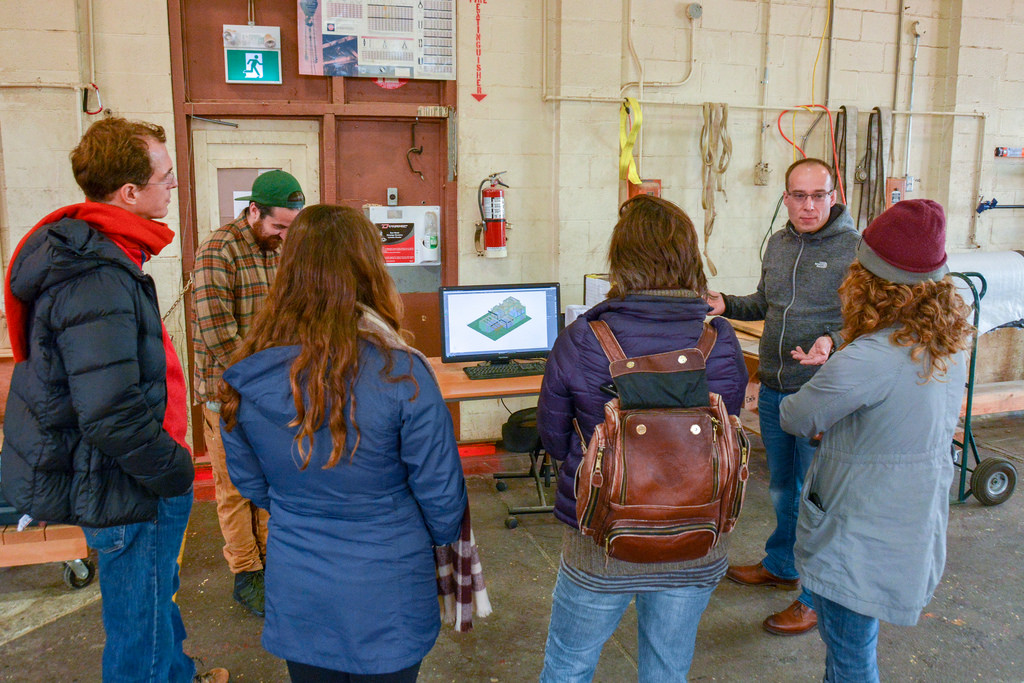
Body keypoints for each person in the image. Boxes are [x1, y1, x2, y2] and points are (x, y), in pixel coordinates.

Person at [0, 117, 227, 682]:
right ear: (131, 193)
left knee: (156, 601)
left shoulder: (107, 255)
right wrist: (174, 467)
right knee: (138, 631)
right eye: (167, 177)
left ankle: (181, 675)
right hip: (131, 481)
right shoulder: (96, 274)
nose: (173, 186)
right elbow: (109, 409)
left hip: (137, 472)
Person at [218, 204, 468, 682]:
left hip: (299, 580)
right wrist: (427, 542)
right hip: (388, 580)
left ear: (287, 273)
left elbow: (252, 485)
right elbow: (443, 497)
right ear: (369, 270)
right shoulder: (403, 372)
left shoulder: (246, 373)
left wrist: (304, 505)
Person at [537, 195, 748, 682]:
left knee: (568, 666)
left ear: (620, 260)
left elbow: (552, 434)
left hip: (601, 540)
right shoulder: (719, 339)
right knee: (667, 670)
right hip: (697, 537)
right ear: (689, 257)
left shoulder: (583, 337)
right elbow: (730, 420)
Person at [779, 199, 971, 681]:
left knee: (850, 659)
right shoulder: (944, 343)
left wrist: (828, 382)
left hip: (858, 536)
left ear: (868, 280)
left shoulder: (867, 359)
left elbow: (796, 417)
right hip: (909, 524)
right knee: (852, 649)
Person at [705, 157, 859, 635]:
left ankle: (815, 598)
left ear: (834, 196)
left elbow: (866, 320)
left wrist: (831, 340)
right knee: (781, 490)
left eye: (818, 195)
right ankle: (782, 565)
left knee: (819, 500)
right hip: (774, 387)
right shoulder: (778, 243)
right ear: (786, 197)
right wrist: (725, 304)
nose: (808, 205)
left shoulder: (856, 250)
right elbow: (763, 304)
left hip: (823, 393)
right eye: (798, 195)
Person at [191, 169, 305, 616]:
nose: (283, 236)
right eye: (278, 226)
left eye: (291, 228)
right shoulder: (218, 251)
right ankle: (246, 574)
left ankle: (271, 564)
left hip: (270, 391)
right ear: (253, 210)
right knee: (235, 488)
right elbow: (220, 336)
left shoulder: (276, 250)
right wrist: (266, 381)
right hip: (227, 393)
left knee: (268, 482)